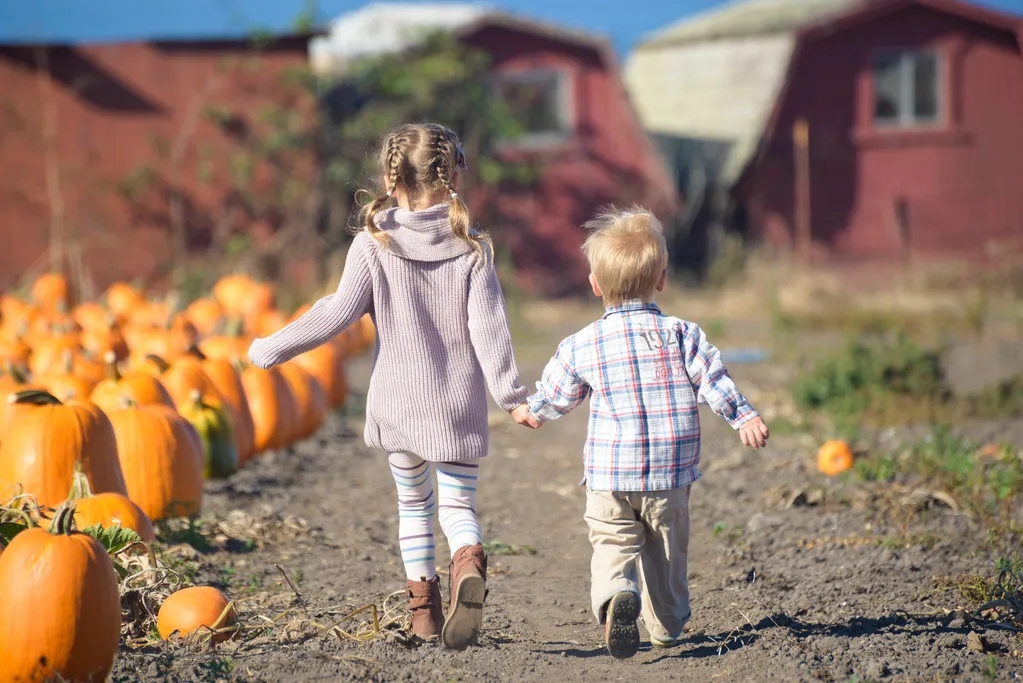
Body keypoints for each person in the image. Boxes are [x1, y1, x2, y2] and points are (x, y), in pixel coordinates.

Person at [247, 122, 539, 650]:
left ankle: (423, 614)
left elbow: (336, 314)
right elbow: (490, 332)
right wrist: (513, 398)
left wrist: (272, 347)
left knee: (413, 507)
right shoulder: (472, 250)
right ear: (452, 177)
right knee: (457, 508)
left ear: (390, 175)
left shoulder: (372, 244)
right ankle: (468, 557)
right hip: (455, 407)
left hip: (398, 404)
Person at [525, 207, 770, 659]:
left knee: (612, 542)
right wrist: (744, 418)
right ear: (662, 278)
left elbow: (558, 393)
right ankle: (667, 624)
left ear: (595, 285)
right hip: (669, 474)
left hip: (609, 475)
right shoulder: (682, 334)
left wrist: (535, 411)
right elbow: (714, 381)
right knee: (667, 551)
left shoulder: (581, 343)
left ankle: (617, 592)